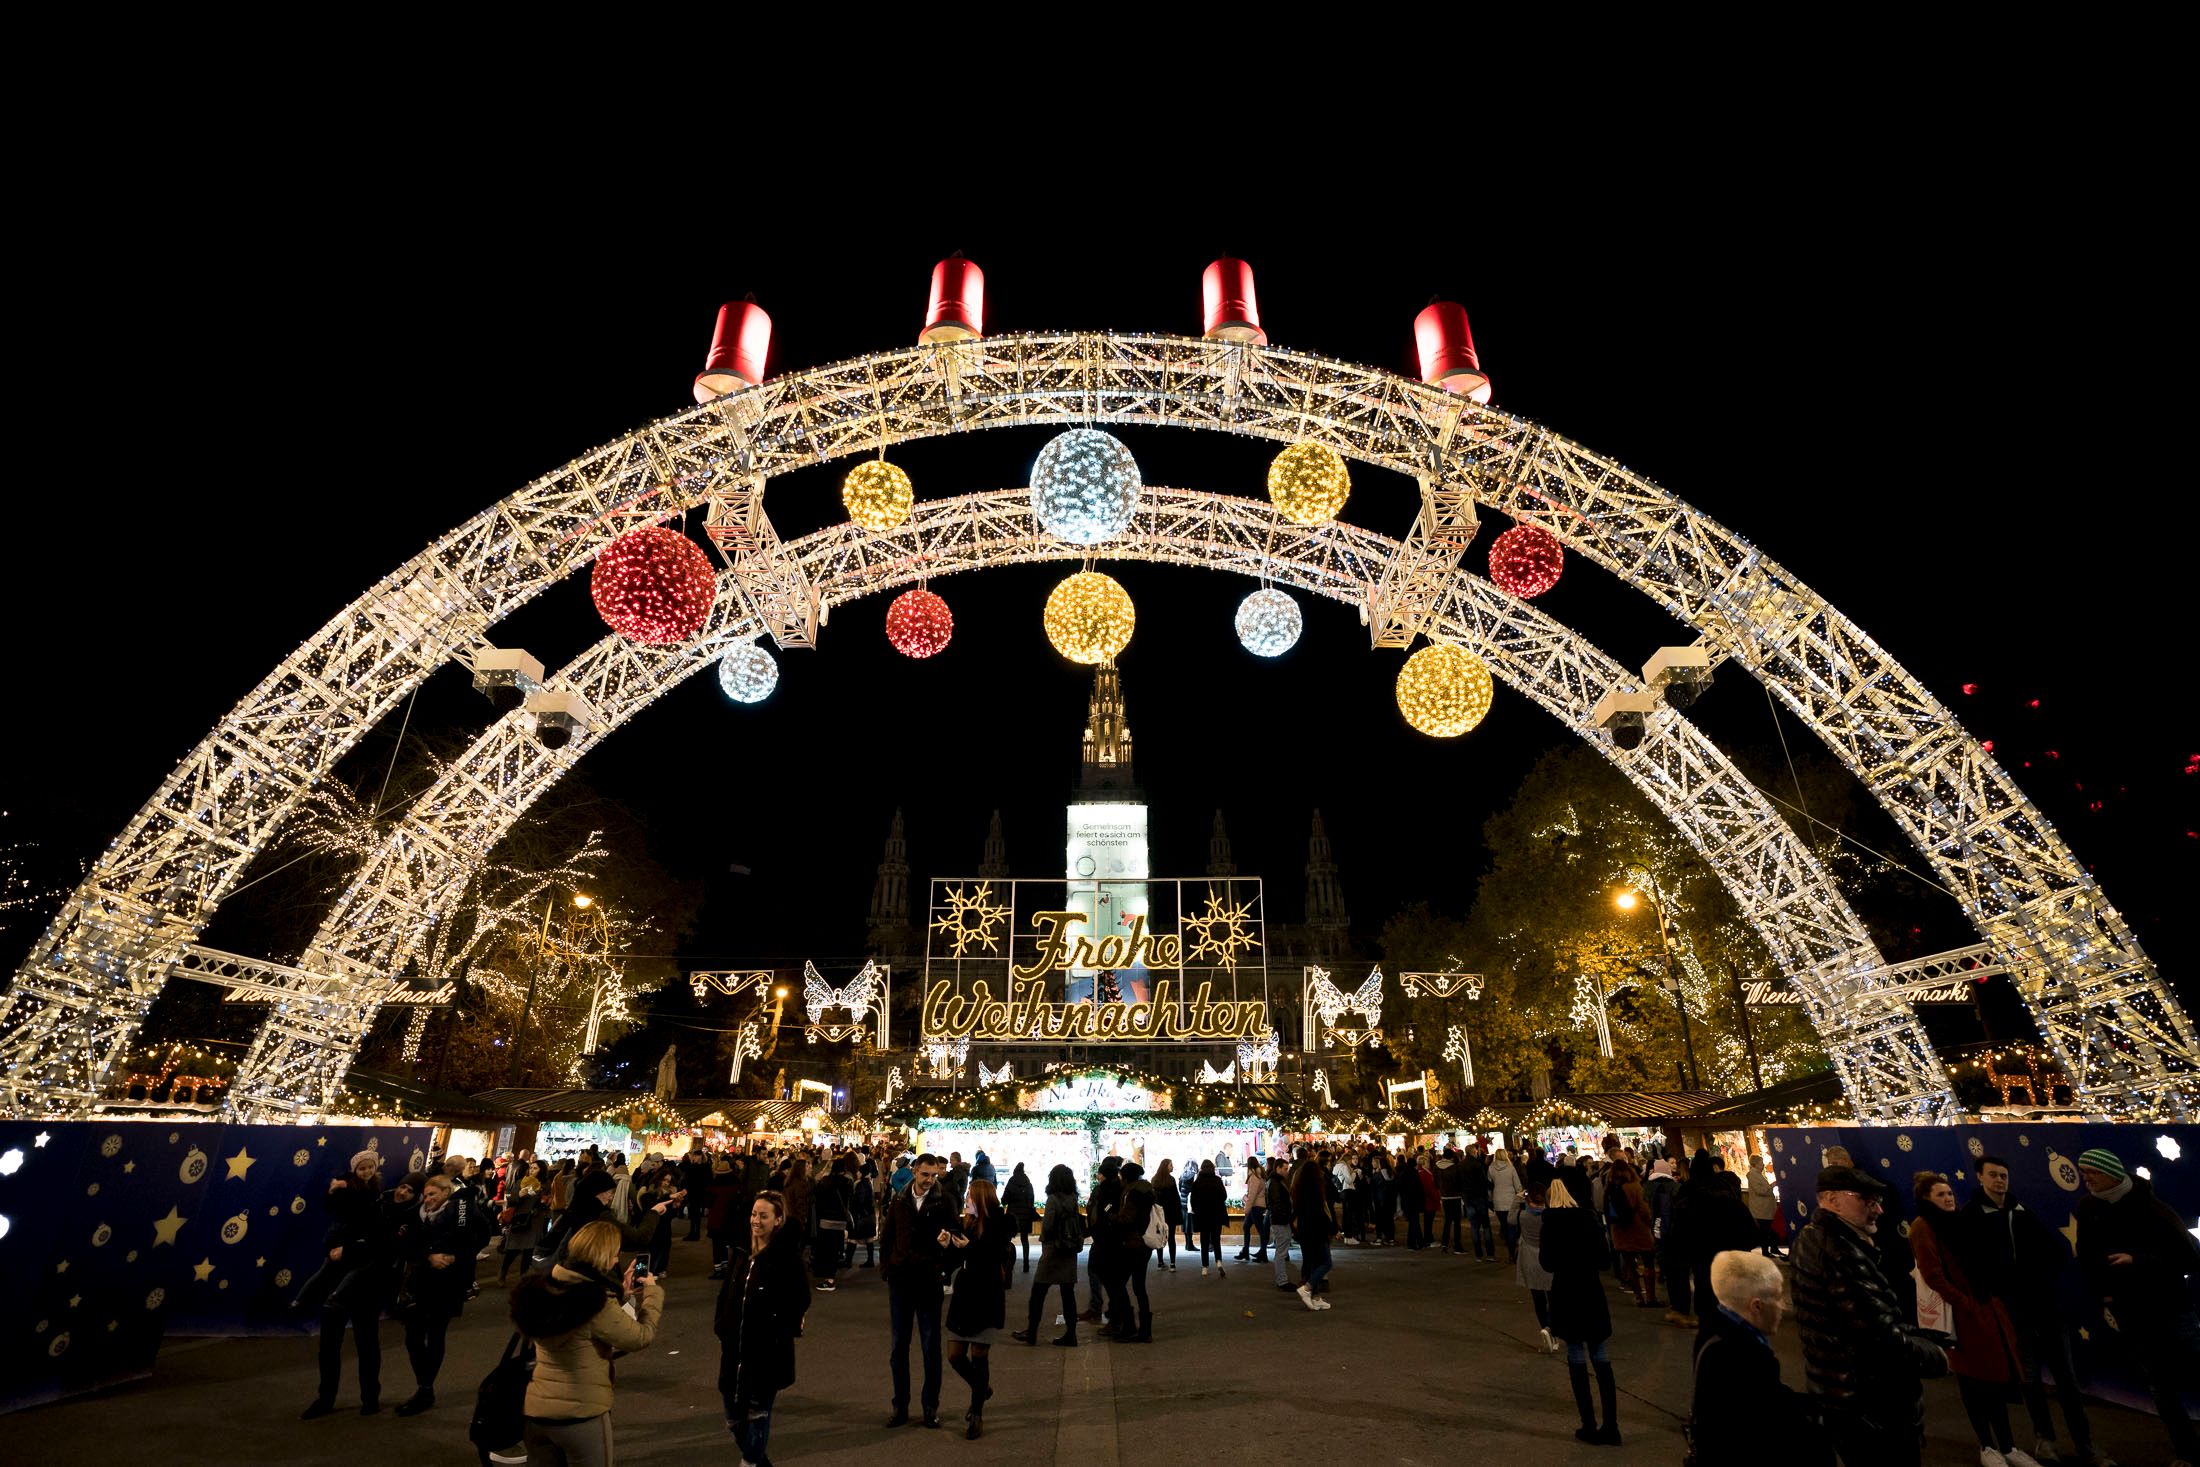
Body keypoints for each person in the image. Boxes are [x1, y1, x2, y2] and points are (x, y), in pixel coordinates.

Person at [1790, 1165, 1948, 1467]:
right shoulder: (1839, 1251)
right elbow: (1875, 1336)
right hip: (1870, 1407)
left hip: (1844, 1398)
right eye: (1866, 1200)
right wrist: (1934, 1357)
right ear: (1833, 1200)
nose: (1877, 1209)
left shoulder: (1817, 1239)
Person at [1965, 1155, 2102, 1466]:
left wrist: (2040, 1279)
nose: (2000, 1180)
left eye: (2004, 1175)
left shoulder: (2022, 1211)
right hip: (2013, 1311)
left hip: (2046, 1307)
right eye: (1994, 1175)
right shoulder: (1972, 1217)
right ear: (1980, 1178)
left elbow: (2053, 1250)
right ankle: (2045, 1440)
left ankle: (2086, 1443)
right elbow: (1973, 1264)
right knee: (2030, 1379)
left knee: (2066, 1378)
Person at [2075, 1146, 2200, 1465]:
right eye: (2084, 1173)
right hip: (2132, 1313)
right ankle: (2187, 1453)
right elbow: (2087, 1256)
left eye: (2094, 1173)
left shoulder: (2154, 1209)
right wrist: (2104, 1295)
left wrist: (2139, 1261)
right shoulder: (2088, 1208)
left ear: (2113, 1174)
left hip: (2172, 1309)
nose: (2087, 1179)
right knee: (2160, 1388)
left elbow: (2188, 1257)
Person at [509, 1219, 666, 1467]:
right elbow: (640, 1336)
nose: (616, 1261)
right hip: (582, 1415)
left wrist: (622, 1293)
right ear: (602, 1256)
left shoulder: (544, 1288)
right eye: (614, 1255)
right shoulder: (595, 1302)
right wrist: (653, 1295)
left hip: (536, 1413)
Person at [1910, 1172, 2035, 1467]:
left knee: (1995, 1378)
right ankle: (1987, 1445)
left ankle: (2007, 1445)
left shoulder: (1960, 1221)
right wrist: (1964, 1302)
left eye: (1949, 1193)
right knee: (1973, 1382)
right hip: (1963, 1316)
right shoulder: (1923, 1226)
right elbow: (1933, 1274)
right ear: (1926, 1199)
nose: (1948, 1198)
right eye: (1940, 1195)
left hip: (1986, 1307)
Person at [1689, 1250, 1831, 1466]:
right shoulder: (1742, 1354)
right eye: (1777, 1297)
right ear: (1756, 1306)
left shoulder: (1715, 1329)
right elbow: (1770, 1416)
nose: (1783, 1305)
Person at [712, 1190, 808, 1467]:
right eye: (754, 1214)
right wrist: (722, 1326)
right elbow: (725, 1293)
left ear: (778, 1220)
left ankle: (751, 1463)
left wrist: (778, 1328)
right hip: (733, 1350)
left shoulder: (786, 1258)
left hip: (766, 1353)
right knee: (732, 1417)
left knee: (757, 1415)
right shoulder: (742, 1252)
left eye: (763, 1216)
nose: (756, 1221)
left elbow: (801, 1299)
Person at [300, 1151, 388, 1418]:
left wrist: (348, 1248)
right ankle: (325, 1398)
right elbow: (333, 1215)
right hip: (338, 1279)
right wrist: (335, 1190)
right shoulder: (345, 1193)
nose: (366, 1171)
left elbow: (377, 1240)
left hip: (365, 1280)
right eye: (361, 1167)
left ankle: (370, 1397)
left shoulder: (377, 1196)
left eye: (370, 1166)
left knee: (367, 1344)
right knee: (329, 1345)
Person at [1541, 1180, 1620, 1445]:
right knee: (1601, 1356)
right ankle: (1611, 1426)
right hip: (1591, 1292)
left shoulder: (1550, 1224)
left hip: (1566, 1293)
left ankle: (1588, 1424)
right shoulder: (1589, 1220)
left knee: (1576, 1355)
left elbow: (1547, 1263)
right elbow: (1604, 1260)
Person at [880, 1152, 952, 1428]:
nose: (930, 1180)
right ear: (914, 1172)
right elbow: (888, 1236)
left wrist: (943, 1260)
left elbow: (955, 1234)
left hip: (928, 1280)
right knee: (899, 1346)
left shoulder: (943, 1201)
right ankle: (900, 1406)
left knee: (930, 1346)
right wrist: (887, 1268)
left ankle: (930, 1407)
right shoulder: (900, 1200)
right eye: (925, 1175)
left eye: (934, 1176)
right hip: (900, 1280)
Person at [944, 1177, 1013, 1437]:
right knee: (954, 1355)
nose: (966, 1201)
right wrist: (947, 1246)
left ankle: (977, 1414)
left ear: (982, 1199)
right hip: (965, 1295)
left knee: (980, 1356)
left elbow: (995, 1256)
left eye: (970, 1197)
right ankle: (981, 1388)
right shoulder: (967, 1223)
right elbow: (957, 1257)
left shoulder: (1000, 1223)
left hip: (987, 1294)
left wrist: (970, 1248)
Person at [1013, 1164, 1086, 1346]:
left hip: (1054, 1251)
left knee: (1038, 1292)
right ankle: (1071, 1334)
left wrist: (1045, 1239)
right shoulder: (1073, 1198)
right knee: (1067, 1293)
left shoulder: (1053, 1199)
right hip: (1069, 1251)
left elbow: (1047, 1226)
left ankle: (1032, 1332)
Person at [1603, 1159, 1658, 1308]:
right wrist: (1649, 1224)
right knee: (1648, 1264)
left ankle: (1639, 1296)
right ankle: (1651, 1297)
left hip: (1620, 1232)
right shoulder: (1635, 1187)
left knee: (1629, 1266)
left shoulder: (1609, 1188)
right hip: (1638, 1230)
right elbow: (1644, 1210)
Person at [1113, 1162, 1158, 1341]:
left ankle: (1129, 1325)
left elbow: (1127, 1219)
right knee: (1139, 1287)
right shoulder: (1147, 1190)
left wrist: (1112, 1216)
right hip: (1144, 1244)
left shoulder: (1131, 1193)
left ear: (1126, 1177)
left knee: (1118, 1283)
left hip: (1132, 1243)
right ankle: (1145, 1331)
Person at [1083, 1156, 1125, 1329]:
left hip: (1105, 1238)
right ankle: (1110, 1311)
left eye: (1100, 1173)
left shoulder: (1108, 1190)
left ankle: (1111, 1314)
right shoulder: (1117, 1187)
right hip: (1107, 1237)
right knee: (1109, 1276)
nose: (1097, 1176)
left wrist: (1104, 1214)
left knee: (1105, 1275)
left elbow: (1107, 1208)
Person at [1292, 1147, 1334, 1311]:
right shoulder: (1315, 1190)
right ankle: (1307, 1288)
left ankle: (1315, 1296)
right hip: (1316, 1231)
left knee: (1313, 1262)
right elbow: (1321, 1212)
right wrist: (1331, 1228)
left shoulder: (1299, 1189)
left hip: (1304, 1230)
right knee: (1326, 1262)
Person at [810, 1154, 853, 1292]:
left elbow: (816, 1194)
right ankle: (831, 1276)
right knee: (835, 1249)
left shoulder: (826, 1181)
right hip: (840, 1221)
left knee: (825, 1249)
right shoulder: (847, 1183)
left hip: (825, 1220)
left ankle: (828, 1279)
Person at [1190, 1158, 1228, 1276]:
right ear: (1212, 1168)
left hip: (1203, 1215)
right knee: (1216, 1240)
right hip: (1216, 1214)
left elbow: (1193, 1200)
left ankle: (1205, 1267)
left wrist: (1197, 1211)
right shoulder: (1217, 1180)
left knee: (1204, 1241)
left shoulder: (1197, 1182)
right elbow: (1224, 1196)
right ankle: (1219, 1261)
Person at [1265, 1154, 1296, 1288]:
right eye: (1285, 1168)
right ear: (1278, 1168)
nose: (1287, 1171)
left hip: (1280, 1219)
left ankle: (1282, 1279)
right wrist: (1287, 1217)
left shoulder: (1275, 1181)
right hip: (1280, 1220)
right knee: (1281, 1251)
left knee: (1281, 1250)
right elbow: (1276, 1203)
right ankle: (1282, 1280)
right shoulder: (1275, 1183)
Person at [1001, 1161, 1036, 1273]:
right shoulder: (1028, 1184)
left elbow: (1004, 1200)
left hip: (1012, 1216)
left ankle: (1006, 1262)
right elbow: (1031, 1200)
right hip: (1025, 1215)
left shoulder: (1011, 1183)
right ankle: (1026, 1263)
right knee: (1024, 1239)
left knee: (1007, 1239)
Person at [1489, 1147, 1521, 1262]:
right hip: (1510, 1200)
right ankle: (1513, 1251)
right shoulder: (1510, 1168)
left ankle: (1511, 1251)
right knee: (1512, 1226)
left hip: (1498, 1199)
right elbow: (1517, 1185)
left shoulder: (1491, 1168)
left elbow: (1490, 1184)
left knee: (1504, 1225)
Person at [1745, 1155, 1781, 1256]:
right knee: (1765, 1231)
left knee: (1772, 1229)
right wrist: (1772, 1185)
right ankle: (1766, 1251)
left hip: (1766, 1208)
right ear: (1755, 1164)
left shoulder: (1758, 1174)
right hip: (1761, 1209)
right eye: (1761, 1162)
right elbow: (1759, 1191)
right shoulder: (1753, 1175)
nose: (1763, 1164)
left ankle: (1774, 1248)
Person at [1152, 1159, 1183, 1271]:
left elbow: (1153, 1199)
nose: (1172, 1167)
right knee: (1171, 1238)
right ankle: (1173, 1264)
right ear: (1166, 1166)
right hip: (1170, 1213)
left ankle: (1160, 1262)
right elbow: (1176, 1198)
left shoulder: (1154, 1180)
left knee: (1160, 1236)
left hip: (1159, 1213)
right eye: (1171, 1165)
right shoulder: (1171, 1180)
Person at [1237, 1159, 1269, 1263]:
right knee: (1246, 1227)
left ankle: (1262, 1253)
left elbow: (1252, 1195)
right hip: (1257, 1205)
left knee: (1260, 1230)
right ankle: (1246, 1250)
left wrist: (1247, 1208)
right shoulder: (1260, 1175)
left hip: (1256, 1206)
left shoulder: (1254, 1177)